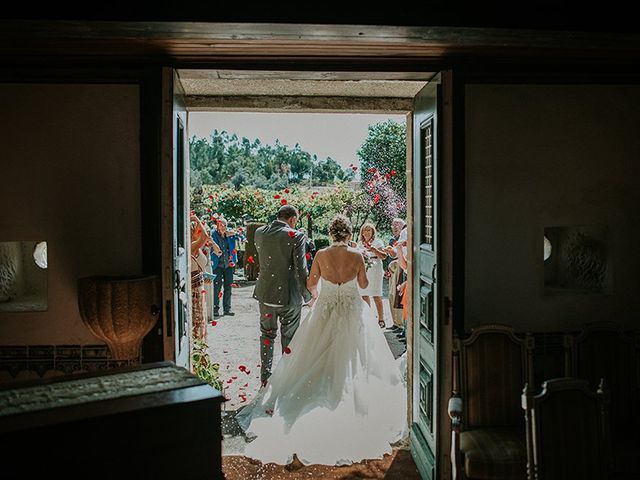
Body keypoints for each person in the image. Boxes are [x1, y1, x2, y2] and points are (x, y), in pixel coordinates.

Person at [236, 214, 406, 466]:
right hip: (351, 311)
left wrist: (322, 293)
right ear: (348, 234)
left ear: (331, 233)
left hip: (326, 310)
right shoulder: (357, 255)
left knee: (316, 353)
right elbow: (364, 284)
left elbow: (311, 282)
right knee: (356, 356)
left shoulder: (321, 255)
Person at [252, 204, 312, 386]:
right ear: (293, 219)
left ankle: (266, 377)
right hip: (289, 296)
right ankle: (286, 378)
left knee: (267, 334)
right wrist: (307, 296)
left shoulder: (260, 232)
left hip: (265, 294)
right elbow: (301, 270)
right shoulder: (296, 236)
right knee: (290, 337)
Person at [356, 222, 388, 328]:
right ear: (362, 232)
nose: (367, 232)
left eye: (369, 230)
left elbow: (384, 256)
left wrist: (375, 250)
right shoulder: (360, 243)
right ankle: (368, 317)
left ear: (373, 231)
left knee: (376, 294)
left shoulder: (378, 242)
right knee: (364, 294)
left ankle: (381, 319)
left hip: (375, 268)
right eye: (365, 230)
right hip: (364, 269)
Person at [210, 216, 241, 318]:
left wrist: (235, 233)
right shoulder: (213, 234)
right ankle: (215, 309)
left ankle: (227, 309)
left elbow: (241, 236)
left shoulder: (230, 234)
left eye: (225, 225)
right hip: (217, 265)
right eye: (221, 224)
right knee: (217, 288)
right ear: (217, 225)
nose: (223, 227)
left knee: (228, 287)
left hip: (228, 265)